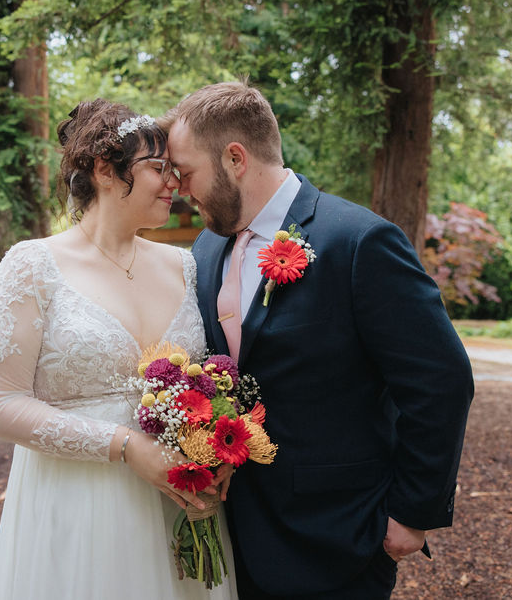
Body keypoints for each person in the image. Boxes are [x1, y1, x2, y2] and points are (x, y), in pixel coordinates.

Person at [163, 81, 474, 599]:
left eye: (187, 172)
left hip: (338, 535)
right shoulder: (206, 249)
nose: (181, 189)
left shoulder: (358, 241)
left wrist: (412, 512)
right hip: (235, 532)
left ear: (235, 158)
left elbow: (440, 382)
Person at [0, 98, 236, 599]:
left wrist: (214, 446)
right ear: (103, 170)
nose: (174, 182)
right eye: (158, 168)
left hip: (177, 505)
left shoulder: (185, 265)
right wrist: (126, 445)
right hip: (79, 505)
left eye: (175, 169)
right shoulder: (32, 266)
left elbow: (205, 381)